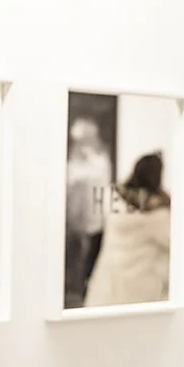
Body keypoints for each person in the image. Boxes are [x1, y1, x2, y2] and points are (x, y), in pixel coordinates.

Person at [84, 152, 171, 307]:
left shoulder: (113, 200)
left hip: (107, 281)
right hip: (138, 288)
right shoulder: (156, 215)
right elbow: (172, 242)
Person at [65, 117, 113, 301]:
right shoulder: (78, 158)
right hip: (79, 213)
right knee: (79, 252)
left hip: (96, 214)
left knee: (92, 253)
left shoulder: (99, 157)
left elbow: (101, 180)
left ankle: (85, 289)